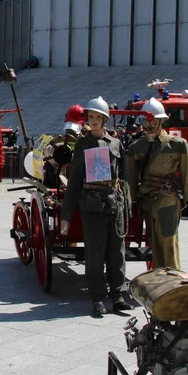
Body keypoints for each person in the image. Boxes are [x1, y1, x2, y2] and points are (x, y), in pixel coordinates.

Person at [60, 97, 132, 318]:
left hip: (114, 203)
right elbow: (73, 183)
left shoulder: (116, 144)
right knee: (95, 254)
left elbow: (125, 178)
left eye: (97, 118)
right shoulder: (83, 145)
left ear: (105, 120)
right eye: (90, 117)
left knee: (117, 253)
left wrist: (128, 206)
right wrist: (67, 216)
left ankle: (118, 296)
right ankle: (98, 298)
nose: (93, 121)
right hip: (92, 206)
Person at [125, 97, 188, 271]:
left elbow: (186, 172)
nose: (149, 124)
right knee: (154, 243)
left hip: (168, 198)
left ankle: (173, 279)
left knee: (169, 241)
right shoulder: (136, 147)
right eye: (146, 120)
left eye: (153, 121)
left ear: (161, 121)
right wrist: (131, 200)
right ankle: (158, 278)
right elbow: (132, 178)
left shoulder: (177, 145)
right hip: (147, 199)